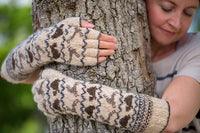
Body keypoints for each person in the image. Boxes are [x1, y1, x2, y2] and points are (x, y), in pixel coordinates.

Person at [1, 0, 200, 132]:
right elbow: (10, 73)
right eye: (166, 7)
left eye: (189, 13)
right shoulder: (117, 43)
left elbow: (171, 118)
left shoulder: (196, 48)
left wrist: (72, 96)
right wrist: (44, 46)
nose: (176, 22)